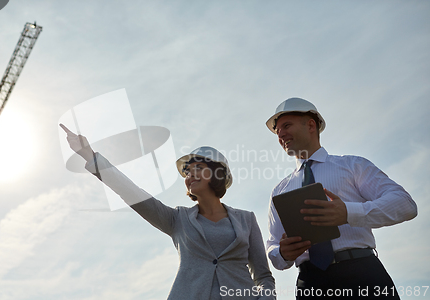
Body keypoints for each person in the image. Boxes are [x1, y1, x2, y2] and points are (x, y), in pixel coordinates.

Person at [60, 124, 276, 300]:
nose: (191, 174)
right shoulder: (177, 219)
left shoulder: (246, 220)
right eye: (188, 171)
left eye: (198, 168)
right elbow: (131, 192)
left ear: (217, 173)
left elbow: (264, 276)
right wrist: (90, 156)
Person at [264, 98, 417, 299]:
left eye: (286, 126)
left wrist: (348, 213)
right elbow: (273, 245)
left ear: (311, 124)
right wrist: (282, 253)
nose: (280, 134)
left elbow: (405, 204)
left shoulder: (353, 166)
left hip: (362, 275)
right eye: (277, 131)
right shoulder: (279, 191)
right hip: (311, 284)